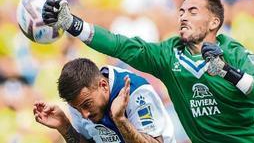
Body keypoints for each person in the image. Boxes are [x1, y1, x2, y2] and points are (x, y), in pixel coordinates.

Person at [42, 0, 254, 142]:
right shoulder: (168, 56)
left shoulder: (233, 53)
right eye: (181, 11)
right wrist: (73, 24)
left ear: (214, 22)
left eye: (193, 11)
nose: (183, 16)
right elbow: (119, 45)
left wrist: (227, 72)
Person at [33, 58, 176, 143]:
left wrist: (120, 120)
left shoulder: (137, 93)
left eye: (86, 105)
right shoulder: (79, 101)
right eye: (77, 109)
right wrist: (64, 126)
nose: (84, 115)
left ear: (103, 85)